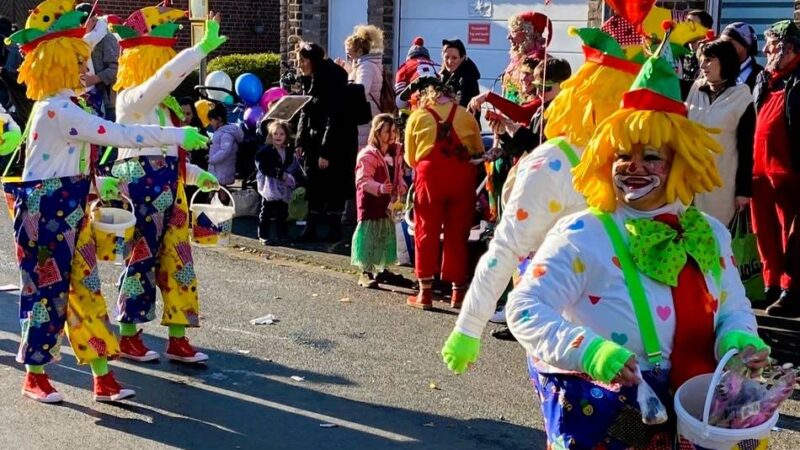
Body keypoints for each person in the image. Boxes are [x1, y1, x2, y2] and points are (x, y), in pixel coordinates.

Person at [507, 51, 768, 449]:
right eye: (622, 157)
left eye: (651, 158)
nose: (634, 168)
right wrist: (590, 352)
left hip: (694, 409)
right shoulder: (583, 232)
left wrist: (738, 343)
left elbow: (732, 307)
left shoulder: (710, 233)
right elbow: (524, 308)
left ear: (679, 162)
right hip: (612, 412)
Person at [2, 0, 208, 403]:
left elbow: (85, 152)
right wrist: (176, 137)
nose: (85, 69)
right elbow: (117, 135)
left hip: (69, 206)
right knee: (46, 295)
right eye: (77, 62)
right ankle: (35, 375)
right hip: (43, 212)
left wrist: (94, 30)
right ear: (59, 64)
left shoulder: (65, 105)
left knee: (87, 289)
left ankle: (102, 376)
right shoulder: (56, 110)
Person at [441, 27, 641, 368]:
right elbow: (506, 247)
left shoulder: (651, 165)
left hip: (649, 351)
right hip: (573, 350)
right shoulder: (554, 162)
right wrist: (469, 326)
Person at [105, 5, 226, 364]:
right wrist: (199, 50)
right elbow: (162, 83)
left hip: (170, 189)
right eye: (160, 58)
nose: (165, 67)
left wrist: (195, 175)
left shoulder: (167, 108)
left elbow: (169, 152)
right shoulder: (130, 100)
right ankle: (129, 334)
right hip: (139, 189)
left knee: (179, 262)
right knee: (139, 261)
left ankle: (177, 337)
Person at [404, 79, 484, 310]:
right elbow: (478, 149)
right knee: (458, 233)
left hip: (430, 177)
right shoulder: (466, 116)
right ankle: (458, 293)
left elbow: (411, 158)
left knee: (425, 230)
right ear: (452, 96)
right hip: (461, 177)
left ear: (428, 96)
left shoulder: (418, 116)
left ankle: (425, 293)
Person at [752, 20, 800, 317]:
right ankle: (769, 284)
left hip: (789, 170)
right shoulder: (765, 78)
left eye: (773, 43)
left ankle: (790, 289)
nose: (767, 49)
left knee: (790, 235)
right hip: (759, 170)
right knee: (764, 231)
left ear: (789, 47)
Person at [295, 41, 359, 242]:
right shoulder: (314, 79)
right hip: (316, 140)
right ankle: (311, 229)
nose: (300, 66)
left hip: (335, 143)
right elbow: (306, 111)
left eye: (303, 61)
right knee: (314, 187)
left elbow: (334, 119)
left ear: (312, 61)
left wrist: (325, 152)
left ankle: (334, 231)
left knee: (333, 188)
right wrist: (300, 140)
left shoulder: (331, 81)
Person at [687, 39, 755, 226]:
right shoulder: (696, 89)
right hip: (687, 181)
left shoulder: (742, 96)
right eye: (702, 59)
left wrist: (744, 191)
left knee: (712, 239)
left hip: (720, 183)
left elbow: (746, 147)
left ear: (725, 62)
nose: (703, 65)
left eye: (709, 60)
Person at [352, 114, 407, 288]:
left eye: (393, 131)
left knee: (385, 235)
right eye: (387, 131)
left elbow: (399, 175)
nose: (391, 135)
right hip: (371, 202)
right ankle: (365, 271)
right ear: (377, 132)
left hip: (387, 203)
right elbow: (362, 180)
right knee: (369, 236)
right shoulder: (368, 155)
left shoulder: (396, 152)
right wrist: (380, 188)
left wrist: (401, 186)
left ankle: (382, 269)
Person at [338, 24, 385, 146]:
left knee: (361, 154)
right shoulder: (367, 65)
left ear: (359, 51)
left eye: (349, 53)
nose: (347, 57)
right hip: (368, 115)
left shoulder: (366, 66)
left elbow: (361, 90)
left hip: (364, 119)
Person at [255, 120, 300, 244]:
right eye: (275, 134)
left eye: (281, 134)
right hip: (269, 185)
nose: (278, 137)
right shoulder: (265, 151)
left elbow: (292, 165)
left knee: (283, 211)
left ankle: (282, 234)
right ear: (270, 135)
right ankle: (263, 235)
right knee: (267, 211)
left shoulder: (288, 151)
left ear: (286, 136)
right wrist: (279, 174)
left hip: (283, 185)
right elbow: (262, 167)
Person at [76, 3, 119, 120]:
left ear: (94, 19)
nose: (80, 25)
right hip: (89, 96)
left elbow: (116, 67)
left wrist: (94, 79)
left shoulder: (106, 38)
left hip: (110, 101)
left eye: (83, 21)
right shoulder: (82, 41)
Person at [503, 11, 552, 103]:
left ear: (528, 32)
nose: (508, 37)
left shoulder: (540, 61)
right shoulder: (516, 60)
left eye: (514, 32)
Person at [207, 101, 243, 191]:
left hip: (222, 169)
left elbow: (225, 151)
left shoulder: (226, 134)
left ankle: (224, 202)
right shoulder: (221, 132)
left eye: (211, 120)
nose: (211, 123)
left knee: (222, 188)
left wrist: (212, 159)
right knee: (217, 188)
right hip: (219, 167)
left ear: (219, 119)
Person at [395, 37, 438, 110]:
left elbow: (401, 103)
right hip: (443, 106)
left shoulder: (405, 67)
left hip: (420, 108)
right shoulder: (438, 65)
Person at [720, 22, 764, 91]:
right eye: (722, 43)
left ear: (746, 45)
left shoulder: (761, 75)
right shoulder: (716, 69)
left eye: (729, 43)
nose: (724, 47)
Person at [440, 39, 481, 110]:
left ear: (462, 58)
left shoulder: (467, 78)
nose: (450, 61)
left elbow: (461, 106)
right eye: (447, 57)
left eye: (454, 58)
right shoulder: (444, 75)